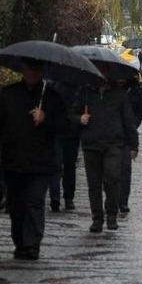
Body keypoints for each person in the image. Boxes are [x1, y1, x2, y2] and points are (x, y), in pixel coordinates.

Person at [0, 59, 68, 260]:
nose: (32, 73)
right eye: (29, 69)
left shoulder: (51, 97)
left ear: (41, 72)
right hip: (13, 161)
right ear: (23, 70)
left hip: (41, 163)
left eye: (36, 69)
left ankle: (32, 244)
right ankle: (20, 242)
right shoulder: (8, 94)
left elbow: (64, 126)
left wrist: (45, 118)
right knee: (16, 205)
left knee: (34, 202)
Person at [75, 70, 139, 232]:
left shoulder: (119, 95)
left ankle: (111, 214)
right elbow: (72, 113)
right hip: (91, 144)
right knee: (94, 184)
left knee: (112, 178)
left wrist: (133, 145)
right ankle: (97, 218)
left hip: (113, 144)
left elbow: (128, 120)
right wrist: (79, 119)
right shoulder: (86, 94)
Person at [47, 82, 81, 212]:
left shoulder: (78, 87)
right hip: (58, 131)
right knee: (58, 165)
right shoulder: (52, 86)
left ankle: (66, 197)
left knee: (68, 166)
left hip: (70, 132)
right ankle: (57, 198)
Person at [120, 72, 142, 214]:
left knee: (125, 170)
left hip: (127, 135)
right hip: (112, 135)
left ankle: (123, 201)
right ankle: (113, 200)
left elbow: (141, 110)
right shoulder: (112, 88)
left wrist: (133, 125)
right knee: (110, 173)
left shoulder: (136, 89)